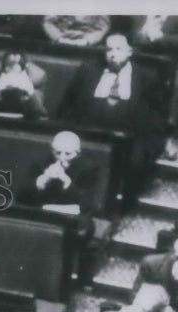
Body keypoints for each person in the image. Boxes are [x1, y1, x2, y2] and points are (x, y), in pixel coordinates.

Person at [57, 33, 166, 207]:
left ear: (129, 52)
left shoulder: (146, 77)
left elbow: (154, 117)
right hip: (90, 131)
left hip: (130, 136)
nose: (113, 53)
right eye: (109, 49)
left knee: (136, 161)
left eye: (118, 49)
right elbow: (69, 103)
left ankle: (121, 204)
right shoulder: (88, 71)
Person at [0, 51, 48, 119]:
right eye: (10, 67)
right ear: (3, 67)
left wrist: (30, 90)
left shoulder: (37, 76)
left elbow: (38, 112)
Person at [42, 15, 111, 47]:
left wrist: (87, 41)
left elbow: (102, 27)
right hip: (59, 43)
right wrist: (59, 38)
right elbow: (48, 23)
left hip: (89, 45)